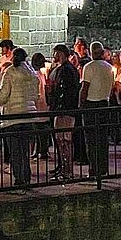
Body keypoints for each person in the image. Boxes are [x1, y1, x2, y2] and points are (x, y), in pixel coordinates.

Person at [0, 48, 41, 188]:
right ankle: (26, 177)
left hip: (13, 117)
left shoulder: (10, 72)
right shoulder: (32, 73)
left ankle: (19, 180)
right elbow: (35, 96)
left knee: (15, 152)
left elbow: (3, 97)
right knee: (25, 151)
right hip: (29, 116)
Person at [79, 41, 114, 179]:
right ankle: (103, 168)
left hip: (91, 104)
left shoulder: (89, 67)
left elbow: (85, 87)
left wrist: (81, 103)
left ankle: (94, 168)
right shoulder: (109, 67)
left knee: (91, 139)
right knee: (103, 138)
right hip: (104, 103)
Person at [48, 44, 80, 180]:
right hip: (64, 109)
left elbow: (65, 91)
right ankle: (64, 169)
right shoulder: (66, 69)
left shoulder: (66, 70)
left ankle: (67, 171)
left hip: (64, 110)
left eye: (55, 53)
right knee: (62, 141)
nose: (53, 56)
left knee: (64, 141)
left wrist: (59, 107)